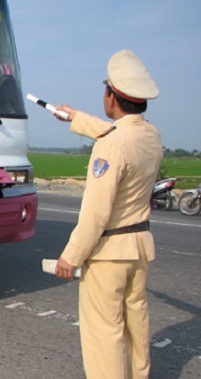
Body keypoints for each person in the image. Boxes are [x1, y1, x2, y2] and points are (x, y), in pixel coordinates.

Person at [54, 50, 162, 379]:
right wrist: (76, 117)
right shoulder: (151, 136)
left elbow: (96, 214)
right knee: (135, 328)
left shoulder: (109, 145)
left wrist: (71, 256)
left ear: (112, 96)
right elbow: (117, 134)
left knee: (105, 336)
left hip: (108, 254)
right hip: (138, 248)